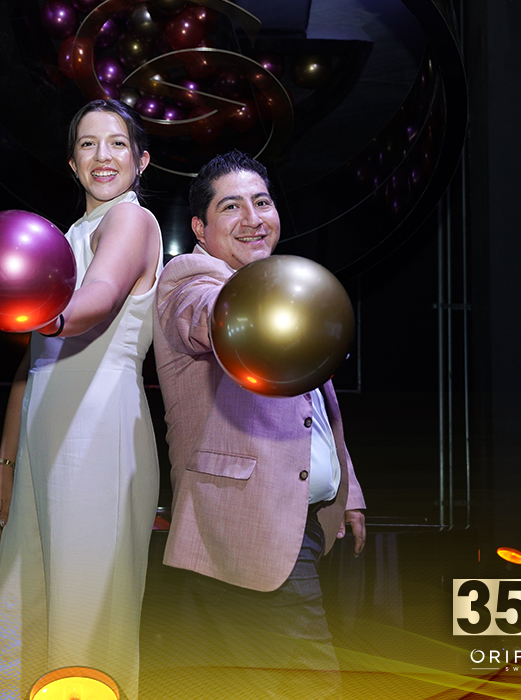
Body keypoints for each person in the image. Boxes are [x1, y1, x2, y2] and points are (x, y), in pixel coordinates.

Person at [151, 150, 366, 698]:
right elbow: (204, 315)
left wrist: (348, 492)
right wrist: (253, 303)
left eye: (262, 202)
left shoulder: (279, 290)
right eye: (231, 207)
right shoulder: (190, 278)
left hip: (300, 525)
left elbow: (313, 412)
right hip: (247, 529)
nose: (252, 218)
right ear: (200, 228)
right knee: (311, 687)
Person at [0, 100, 163, 700]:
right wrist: (7, 467)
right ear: (71, 162)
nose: (102, 156)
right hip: (42, 444)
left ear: (141, 161)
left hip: (100, 431)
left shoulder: (131, 220)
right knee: (21, 613)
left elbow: (101, 295)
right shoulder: (64, 238)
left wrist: (47, 317)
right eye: (87, 144)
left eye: (117, 143)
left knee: (85, 626)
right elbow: (30, 369)